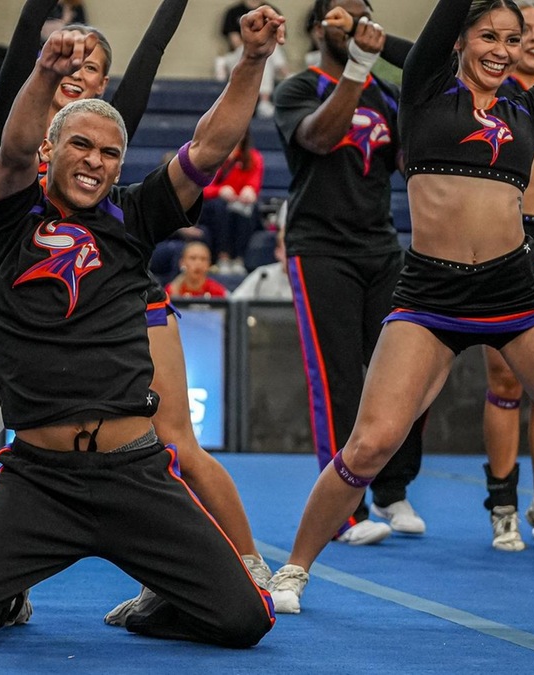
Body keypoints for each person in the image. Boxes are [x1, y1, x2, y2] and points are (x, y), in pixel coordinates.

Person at [266, 0, 534, 624]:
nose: (501, 48)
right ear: (459, 40)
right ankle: (293, 568)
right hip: (430, 296)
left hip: (516, 292)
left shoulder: (531, 108)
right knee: (370, 443)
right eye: (488, 35)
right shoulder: (427, 89)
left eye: (512, 40)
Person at [0, 1, 274, 623]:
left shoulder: (135, 215)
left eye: (109, 154)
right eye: (79, 145)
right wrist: (44, 72)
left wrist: (252, 60)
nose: (95, 161)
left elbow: (211, 146)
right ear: (51, 149)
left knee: (245, 621)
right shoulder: (12, 213)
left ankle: (159, 602)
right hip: (41, 479)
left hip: (131, 472)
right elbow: (14, 148)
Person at [272, 0, 428, 546]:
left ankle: (393, 489)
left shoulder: (386, 95)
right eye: (342, 14)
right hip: (320, 250)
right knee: (338, 378)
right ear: (319, 28)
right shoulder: (298, 88)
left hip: (381, 245)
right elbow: (319, 138)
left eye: (364, 15)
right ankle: (345, 511)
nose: (354, 23)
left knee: (405, 372)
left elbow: (413, 163)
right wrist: (359, 67)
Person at [199, 128, 263, 274]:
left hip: (238, 203)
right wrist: (219, 191)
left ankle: (239, 259)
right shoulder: (214, 155)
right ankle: (223, 257)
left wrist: (250, 191)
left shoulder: (253, 157)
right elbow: (202, 187)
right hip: (214, 205)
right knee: (221, 208)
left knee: (248, 209)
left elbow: (254, 183)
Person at [218, 0, 288, 117]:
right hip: (239, 53)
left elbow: (278, 38)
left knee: (267, 51)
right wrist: (255, 45)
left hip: (266, 57)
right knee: (260, 51)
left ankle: (281, 79)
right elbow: (235, 41)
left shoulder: (272, 11)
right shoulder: (233, 12)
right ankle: (281, 81)